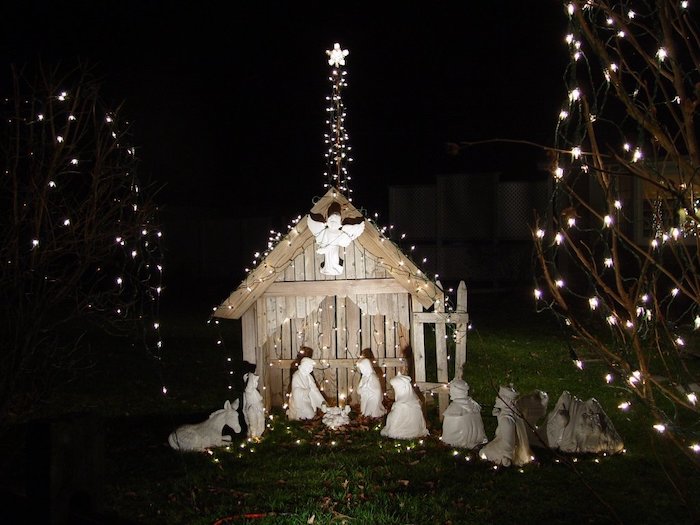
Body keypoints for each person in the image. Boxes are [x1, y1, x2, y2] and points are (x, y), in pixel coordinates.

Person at [441, 379, 487, 449]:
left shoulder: (454, 409)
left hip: (459, 444)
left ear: (455, 391)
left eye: (451, 390)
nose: (450, 392)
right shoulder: (473, 405)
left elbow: (448, 436)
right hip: (477, 441)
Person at [381, 375, 428, 439]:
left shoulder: (399, 405)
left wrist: (390, 415)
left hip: (400, 432)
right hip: (416, 431)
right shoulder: (415, 403)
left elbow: (394, 421)